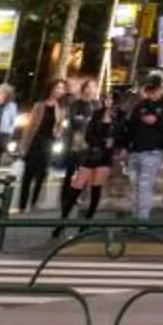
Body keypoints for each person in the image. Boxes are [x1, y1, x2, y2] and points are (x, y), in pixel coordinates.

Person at [121, 70, 163, 222]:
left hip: (153, 151)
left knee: (144, 185)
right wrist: (124, 146)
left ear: (160, 88)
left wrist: (157, 121)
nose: (151, 92)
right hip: (135, 150)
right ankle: (135, 217)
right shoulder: (141, 105)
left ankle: (142, 219)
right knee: (134, 186)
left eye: (154, 89)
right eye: (149, 89)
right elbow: (131, 126)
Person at [62, 84, 118, 224]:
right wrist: (103, 141)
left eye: (111, 98)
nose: (108, 101)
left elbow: (120, 136)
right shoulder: (97, 113)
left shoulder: (120, 116)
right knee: (77, 184)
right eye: (107, 98)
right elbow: (89, 135)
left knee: (96, 187)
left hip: (106, 156)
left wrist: (111, 143)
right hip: (92, 152)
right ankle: (63, 219)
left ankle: (88, 219)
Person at [16, 90, 60, 215]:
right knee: (28, 175)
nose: (59, 91)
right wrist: (23, 146)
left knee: (41, 175)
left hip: (48, 144)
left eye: (62, 89)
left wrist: (58, 132)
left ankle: (34, 203)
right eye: (57, 88)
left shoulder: (60, 108)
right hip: (35, 142)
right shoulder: (40, 106)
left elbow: (59, 127)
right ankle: (22, 205)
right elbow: (30, 127)